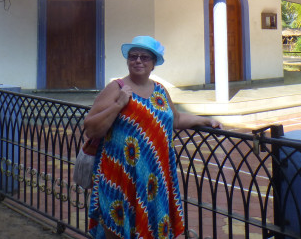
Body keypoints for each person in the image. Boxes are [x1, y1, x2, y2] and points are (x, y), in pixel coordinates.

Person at [84, 35, 221, 239]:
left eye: (145, 57)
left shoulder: (160, 90)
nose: (138, 61)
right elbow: (91, 127)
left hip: (154, 176)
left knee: (150, 224)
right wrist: (119, 104)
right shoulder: (117, 87)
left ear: (154, 63)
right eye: (133, 56)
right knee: (117, 225)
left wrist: (205, 120)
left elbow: (175, 119)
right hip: (121, 174)